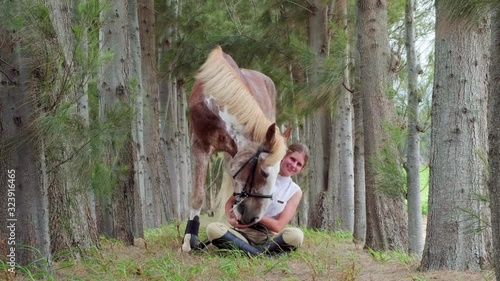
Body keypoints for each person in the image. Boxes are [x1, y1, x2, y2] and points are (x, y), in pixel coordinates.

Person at [205, 143, 310, 256]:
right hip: (243, 234)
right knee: (213, 229)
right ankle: (263, 254)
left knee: (296, 235)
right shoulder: (259, 174)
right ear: (283, 156)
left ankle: (248, 251)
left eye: (299, 164)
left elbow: (278, 226)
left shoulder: (295, 191)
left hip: (269, 238)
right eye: (292, 159)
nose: (293, 165)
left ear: (301, 169)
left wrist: (253, 216)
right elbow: (230, 202)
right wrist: (231, 219)